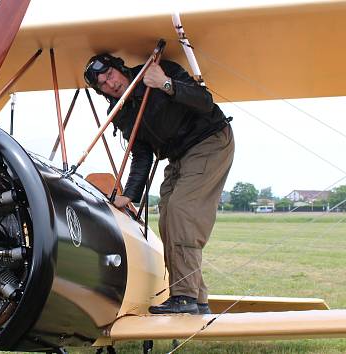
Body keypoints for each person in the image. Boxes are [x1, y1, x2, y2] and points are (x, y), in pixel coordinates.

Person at [84, 53, 234, 314]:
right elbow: (141, 154)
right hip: (178, 157)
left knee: (181, 211)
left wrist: (166, 83)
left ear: (120, 68)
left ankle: (184, 297)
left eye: (110, 75)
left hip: (209, 140)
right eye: (102, 84)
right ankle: (197, 300)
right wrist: (128, 195)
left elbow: (205, 102)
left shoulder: (159, 70)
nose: (110, 84)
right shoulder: (120, 112)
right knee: (167, 219)